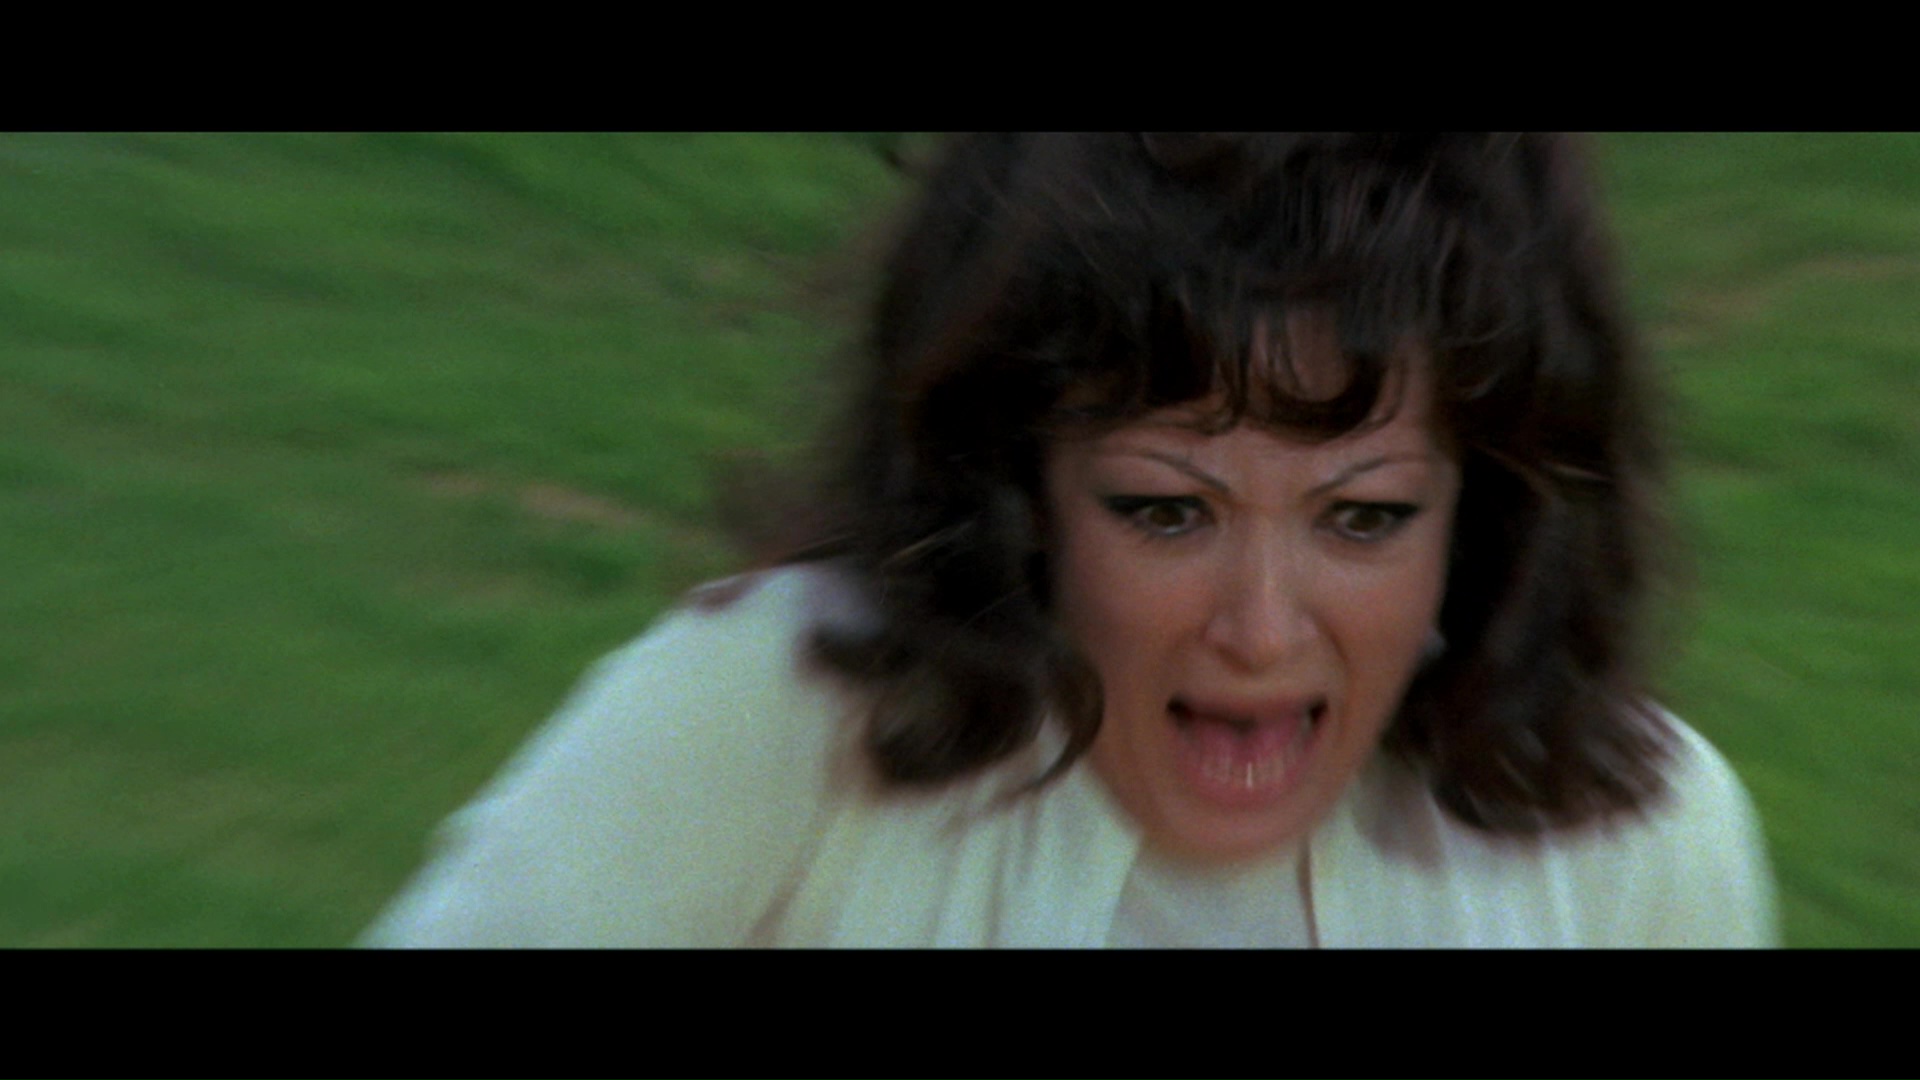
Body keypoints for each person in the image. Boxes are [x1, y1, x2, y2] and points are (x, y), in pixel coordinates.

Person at [362, 133, 1777, 947]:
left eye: (1365, 519)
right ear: (1014, 491)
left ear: (1487, 525)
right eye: (1166, 511)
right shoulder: (772, 721)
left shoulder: (1640, 851)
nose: (1261, 628)